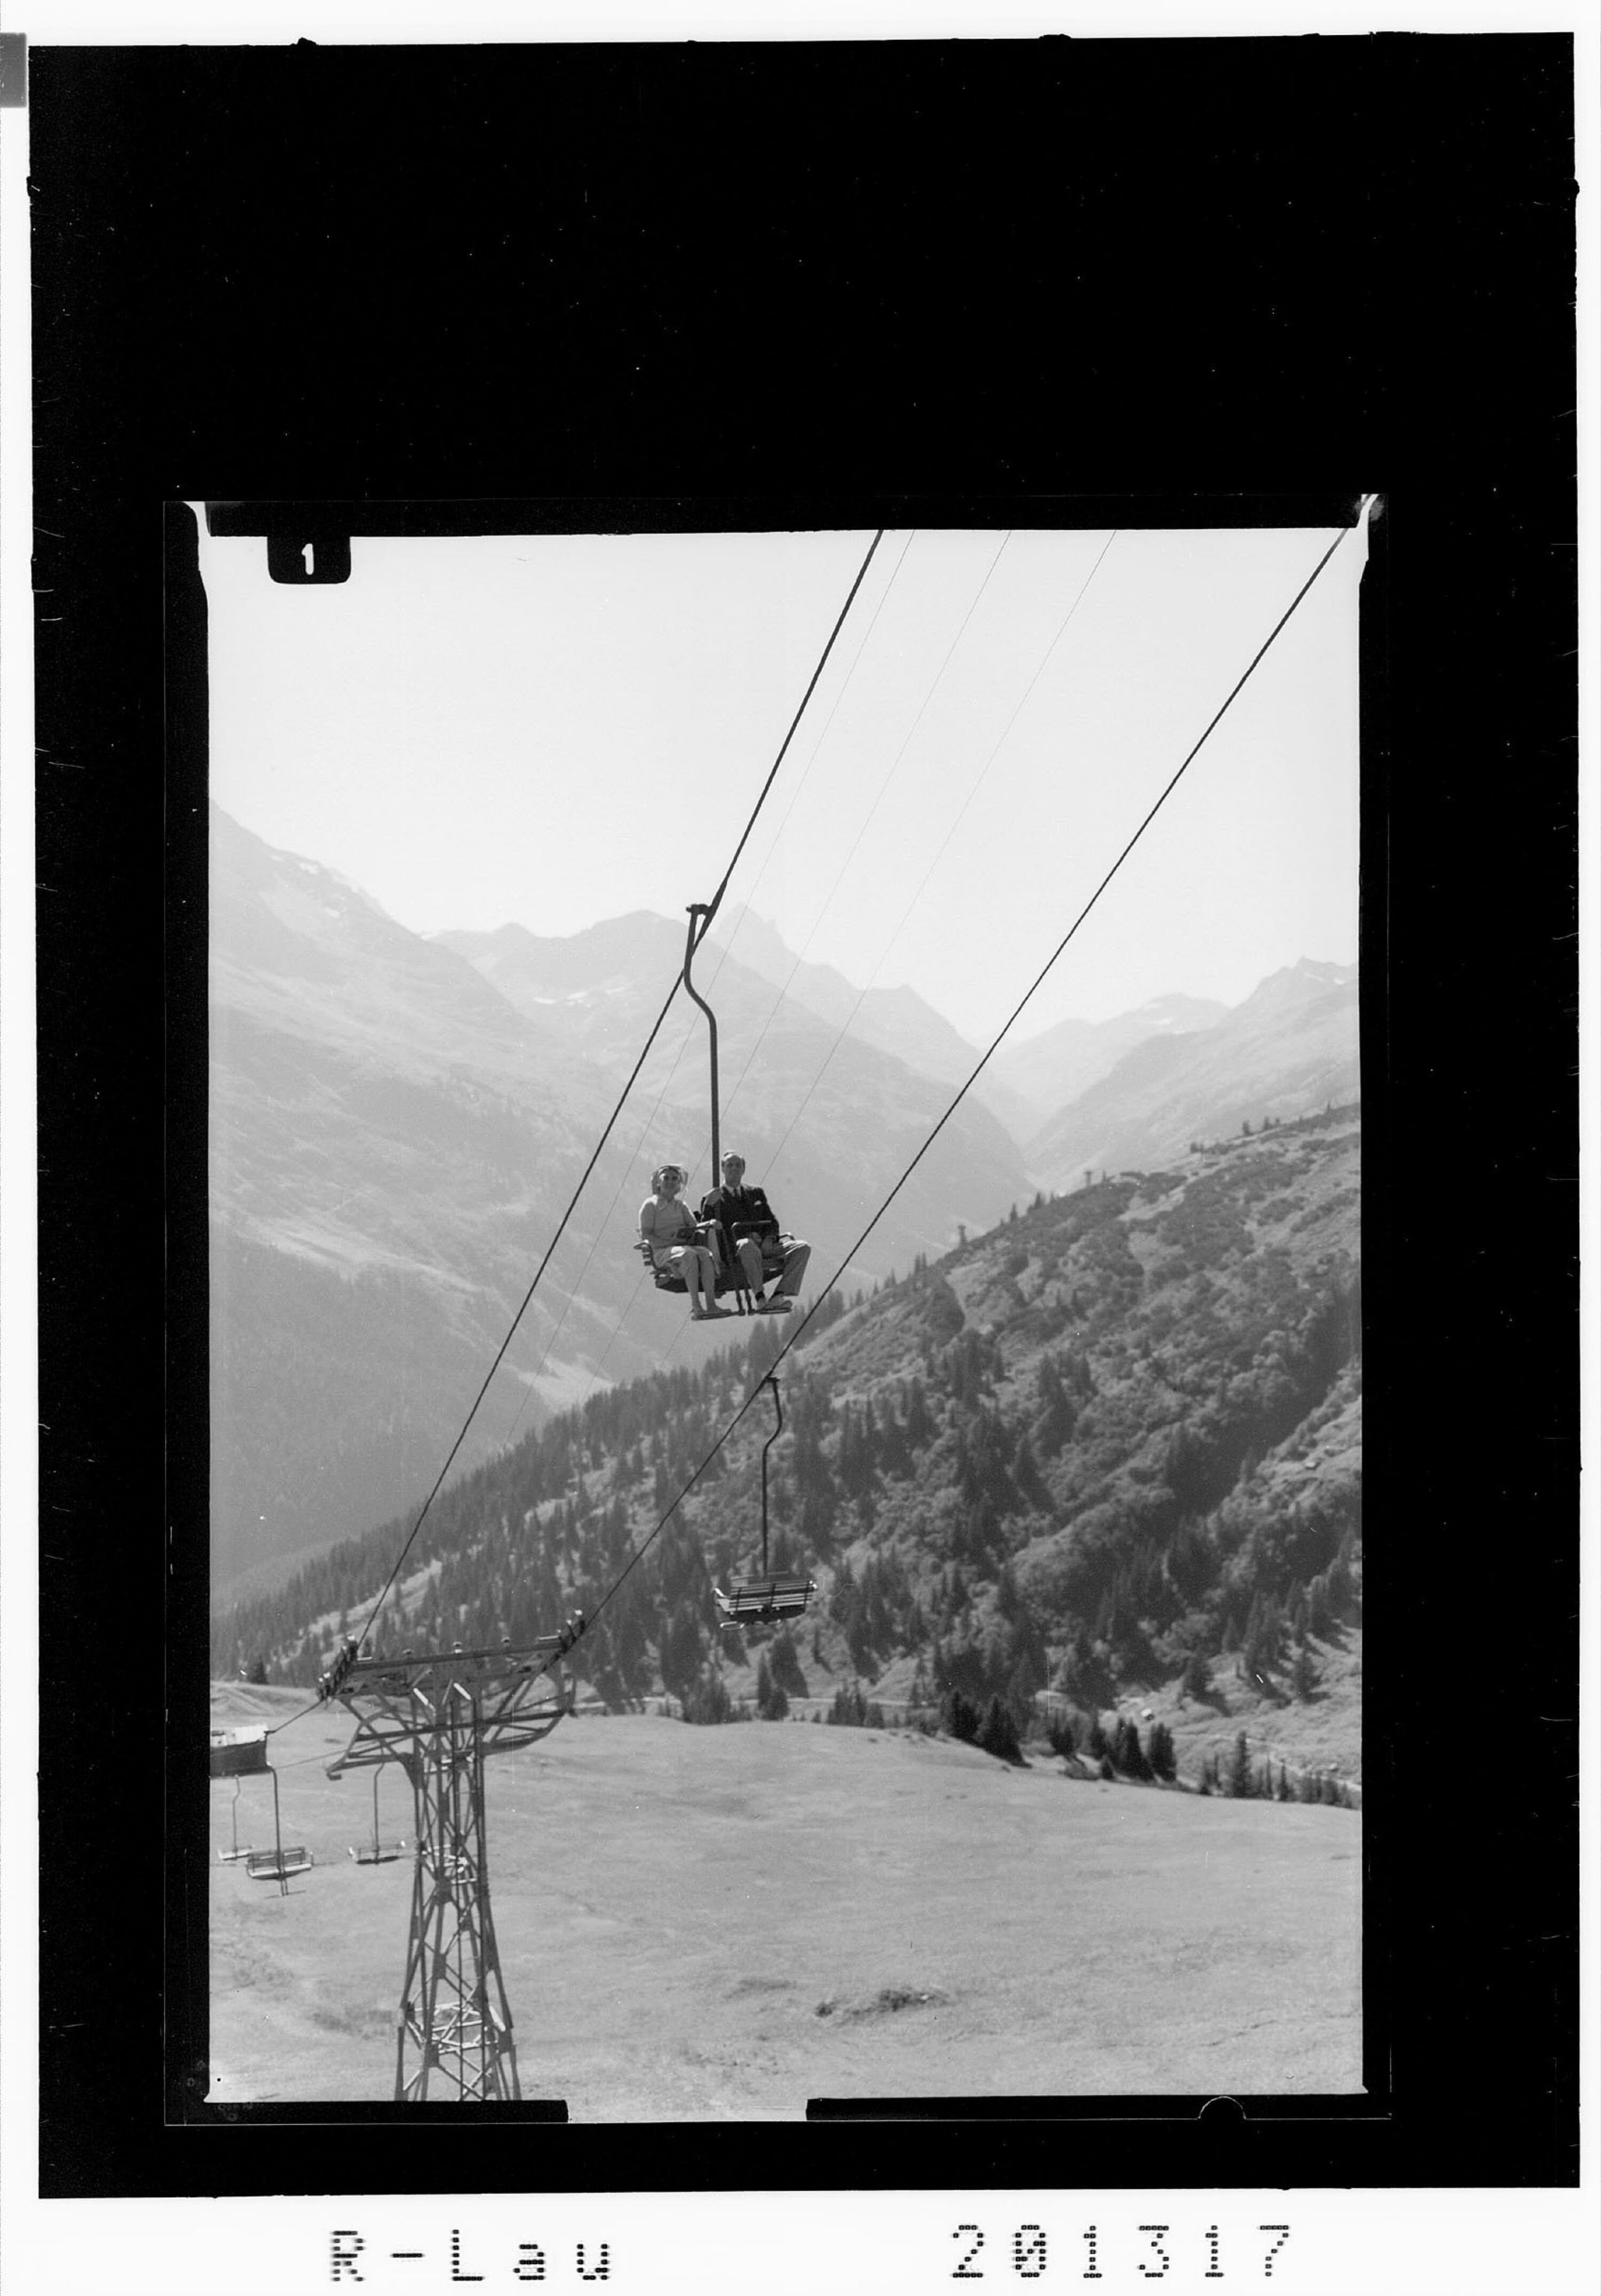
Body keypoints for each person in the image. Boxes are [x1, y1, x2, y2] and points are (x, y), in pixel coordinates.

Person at [697, 1151, 811, 1313]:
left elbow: (772, 1221)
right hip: (736, 1250)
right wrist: (709, 1206)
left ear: (744, 1169)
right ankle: (760, 1297)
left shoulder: (755, 1193)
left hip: (763, 1246)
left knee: (802, 1248)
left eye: (738, 1165)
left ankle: (779, 1295)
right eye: (730, 1165)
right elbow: (705, 1228)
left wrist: (769, 1238)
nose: (734, 1169)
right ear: (723, 1169)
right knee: (746, 1245)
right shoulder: (713, 1198)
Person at [639, 1164, 731, 1320]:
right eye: (666, 1178)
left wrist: (711, 1223)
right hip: (662, 1252)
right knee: (689, 1255)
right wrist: (669, 1241)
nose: (670, 1182)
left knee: (705, 1254)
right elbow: (646, 1235)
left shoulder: (681, 1206)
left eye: (674, 1179)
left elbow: (694, 1227)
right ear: (658, 1183)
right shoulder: (650, 1205)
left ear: (679, 1185)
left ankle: (711, 1305)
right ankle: (696, 1307)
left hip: (681, 1248)